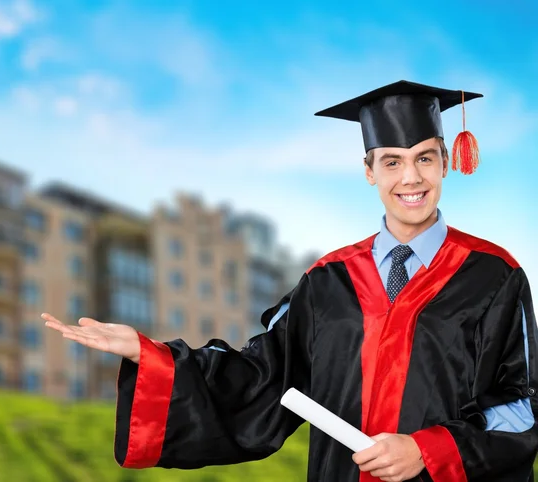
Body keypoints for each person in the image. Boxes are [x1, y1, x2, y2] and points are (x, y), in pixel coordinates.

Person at [43, 80, 538, 482]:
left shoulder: (494, 276)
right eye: (391, 161)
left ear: (446, 162)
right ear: (369, 171)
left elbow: (521, 404)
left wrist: (427, 451)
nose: (410, 178)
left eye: (424, 158)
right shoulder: (327, 281)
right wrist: (148, 354)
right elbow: (262, 378)